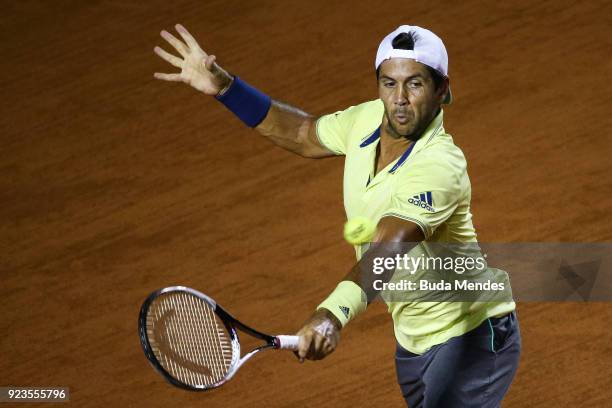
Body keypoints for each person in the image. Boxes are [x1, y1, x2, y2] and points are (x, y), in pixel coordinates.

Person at [154, 23, 521, 407]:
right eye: (388, 83)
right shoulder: (365, 122)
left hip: (474, 336)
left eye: (414, 84)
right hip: (414, 342)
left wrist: (331, 315)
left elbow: (389, 248)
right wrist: (227, 88)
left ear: (442, 90)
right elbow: (303, 133)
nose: (398, 99)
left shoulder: (439, 166)